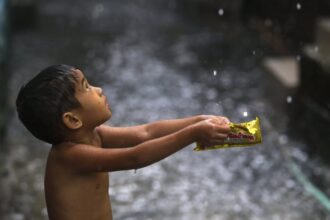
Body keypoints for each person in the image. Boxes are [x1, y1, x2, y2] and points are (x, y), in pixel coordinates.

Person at [16, 64, 230, 220]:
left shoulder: (94, 135)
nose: (98, 89)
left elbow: (146, 132)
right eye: (87, 87)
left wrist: (199, 120)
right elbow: (134, 157)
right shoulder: (69, 156)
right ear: (73, 120)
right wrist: (192, 134)